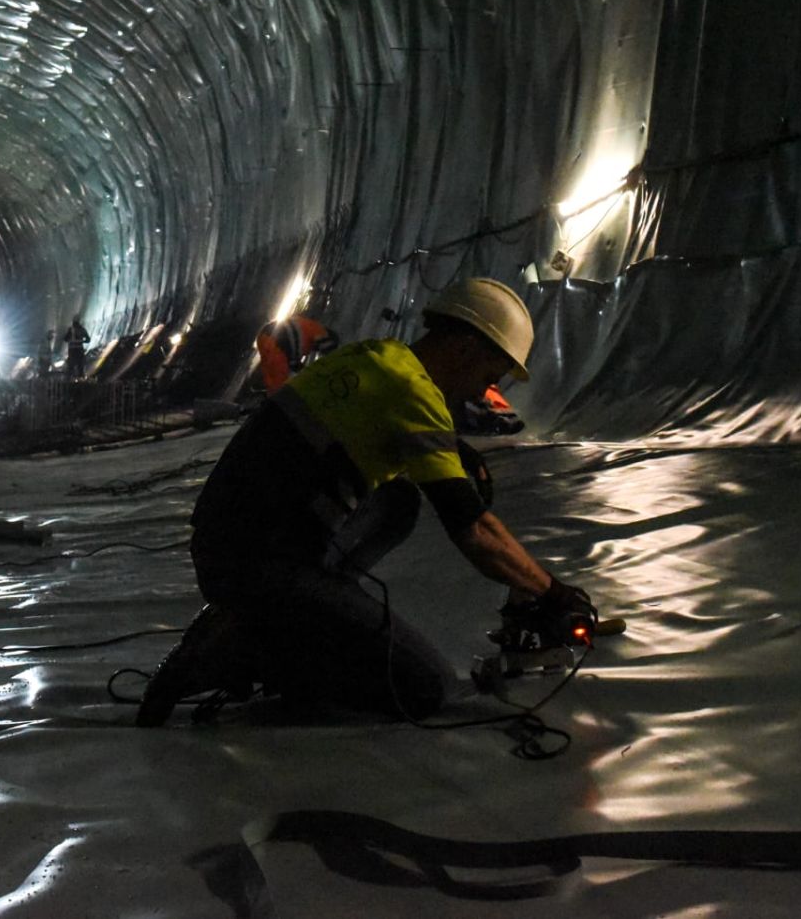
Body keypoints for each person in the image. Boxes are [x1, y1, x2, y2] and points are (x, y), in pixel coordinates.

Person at [137, 277, 594, 725]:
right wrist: (552, 592)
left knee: (398, 500)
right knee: (425, 687)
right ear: (464, 348)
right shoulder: (415, 393)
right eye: (488, 376)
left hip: (228, 545)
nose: (483, 392)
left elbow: (368, 425)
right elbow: (472, 528)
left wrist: (454, 449)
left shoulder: (378, 356)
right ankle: (248, 650)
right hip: (262, 570)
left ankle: (290, 618)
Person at [254, 311, 340, 393]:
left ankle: (268, 395)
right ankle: (273, 399)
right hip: (274, 340)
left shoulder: (306, 339)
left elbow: (294, 364)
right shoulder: (320, 331)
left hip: (268, 337)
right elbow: (329, 353)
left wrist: (310, 375)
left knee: (273, 377)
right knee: (279, 381)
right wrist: (334, 372)